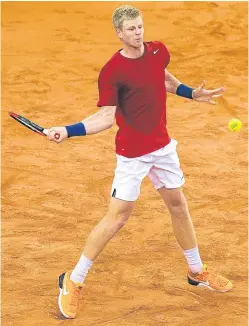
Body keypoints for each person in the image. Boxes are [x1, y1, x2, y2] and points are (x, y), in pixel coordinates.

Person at [47, 5, 233, 319]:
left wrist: (191, 93)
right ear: (119, 33)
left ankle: (196, 271)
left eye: (140, 27)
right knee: (118, 217)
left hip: (162, 148)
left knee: (178, 205)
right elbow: (105, 117)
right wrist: (68, 130)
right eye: (131, 29)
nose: (138, 33)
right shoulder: (112, 71)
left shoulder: (158, 51)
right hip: (132, 154)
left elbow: (166, 81)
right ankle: (73, 279)